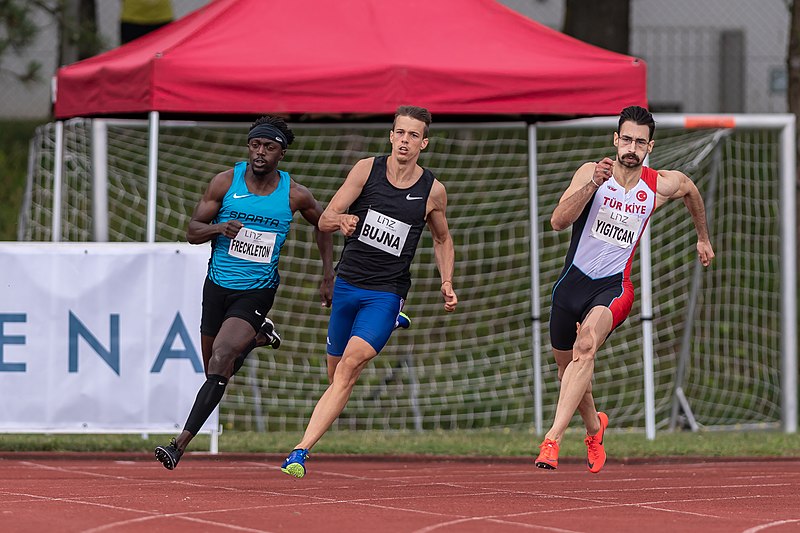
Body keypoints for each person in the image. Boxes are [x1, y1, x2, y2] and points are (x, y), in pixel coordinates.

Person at [280, 105, 458, 478]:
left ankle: (299, 452)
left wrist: (446, 282)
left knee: (349, 368)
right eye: (400, 133)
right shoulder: (367, 169)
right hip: (348, 287)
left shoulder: (432, 190)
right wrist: (341, 219)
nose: (404, 141)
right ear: (391, 137)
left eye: (413, 135)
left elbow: (442, 238)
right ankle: (392, 322)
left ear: (423, 143)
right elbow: (326, 218)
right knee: (334, 377)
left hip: (386, 292)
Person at [535, 105, 715, 473]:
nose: (632, 147)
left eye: (640, 142)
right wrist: (593, 185)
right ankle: (593, 427)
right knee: (567, 371)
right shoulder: (591, 172)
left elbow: (690, 190)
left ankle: (552, 439)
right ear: (616, 140)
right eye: (627, 139)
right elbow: (557, 221)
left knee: (586, 347)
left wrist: (703, 238)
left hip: (614, 288)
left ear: (650, 147)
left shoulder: (657, 185)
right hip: (571, 286)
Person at [154, 115, 334, 470]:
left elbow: (324, 224)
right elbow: (192, 230)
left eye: (269, 147)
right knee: (216, 369)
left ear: (281, 153)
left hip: (256, 291)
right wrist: (220, 227)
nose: (260, 153)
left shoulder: (295, 194)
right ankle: (260, 336)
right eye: (255, 145)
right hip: (217, 285)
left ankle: (179, 444)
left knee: (221, 358)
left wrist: (328, 273)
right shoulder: (225, 182)